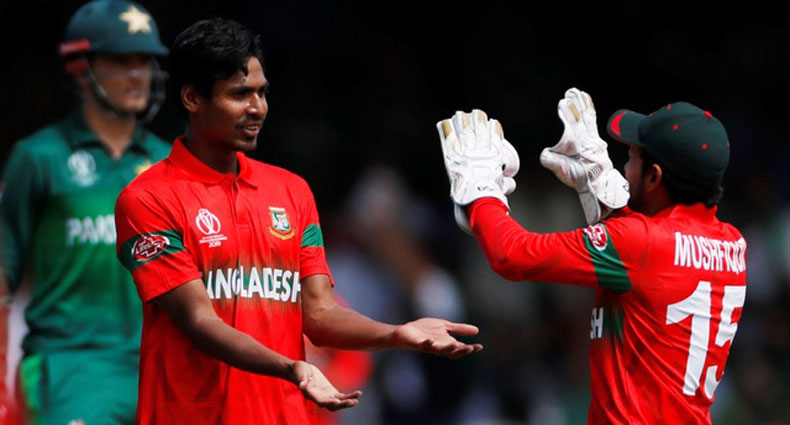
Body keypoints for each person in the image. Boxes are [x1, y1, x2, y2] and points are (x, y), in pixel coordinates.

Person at [114, 17, 482, 425]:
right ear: (192, 98)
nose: (257, 108)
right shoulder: (148, 199)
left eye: (261, 92)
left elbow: (320, 314)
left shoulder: (291, 191)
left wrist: (396, 333)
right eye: (239, 94)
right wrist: (291, 368)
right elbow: (198, 320)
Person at [436, 88, 746, 424]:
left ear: (654, 177)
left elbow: (511, 255)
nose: (624, 166)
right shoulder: (733, 244)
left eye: (631, 158)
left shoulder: (639, 243)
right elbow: (659, 255)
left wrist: (480, 190)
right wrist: (599, 184)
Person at [0, 0, 171, 424]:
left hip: (159, 369)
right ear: (80, 69)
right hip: (67, 368)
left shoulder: (169, 164)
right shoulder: (38, 158)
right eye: (121, 61)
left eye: (145, 61)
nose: (138, 74)